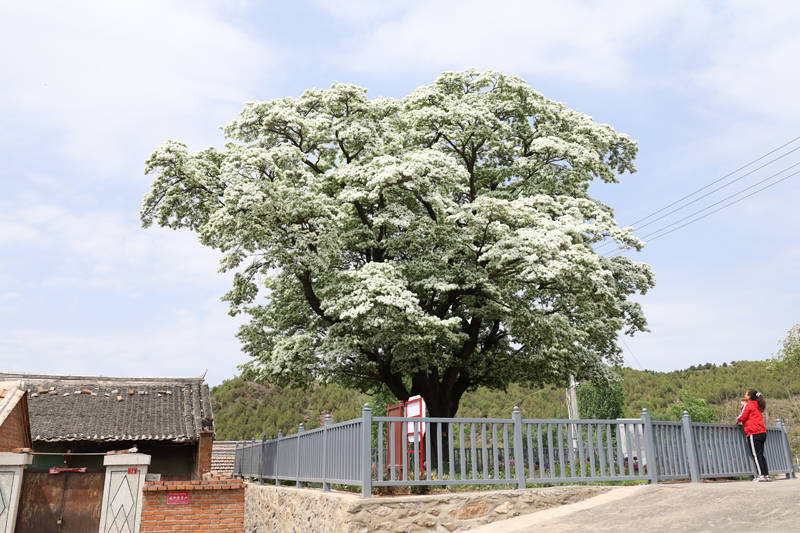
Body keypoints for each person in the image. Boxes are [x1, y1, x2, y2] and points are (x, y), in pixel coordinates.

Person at [736, 389, 769, 482]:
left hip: (753, 433)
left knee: (756, 455)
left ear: (749, 396)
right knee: (761, 455)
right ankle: (766, 475)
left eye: (746, 394)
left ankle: (761, 475)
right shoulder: (757, 404)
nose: (744, 394)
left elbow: (742, 416)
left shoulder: (749, 404)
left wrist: (737, 419)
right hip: (762, 432)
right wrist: (744, 406)